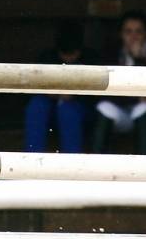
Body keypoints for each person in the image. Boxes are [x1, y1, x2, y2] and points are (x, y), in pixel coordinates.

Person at [90, 10, 146, 154]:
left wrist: (138, 58)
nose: (133, 36)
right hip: (125, 107)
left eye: (138, 32)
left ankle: (143, 169)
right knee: (105, 107)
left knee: (143, 109)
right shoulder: (113, 52)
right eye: (128, 32)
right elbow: (107, 91)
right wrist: (134, 97)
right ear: (121, 34)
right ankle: (97, 167)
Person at [23, 20, 98, 153]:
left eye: (73, 54)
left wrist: (75, 94)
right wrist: (51, 92)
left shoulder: (91, 59)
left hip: (79, 112)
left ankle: (71, 166)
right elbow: (33, 86)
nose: (68, 58)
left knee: (67, 109)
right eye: (65, 54)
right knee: (37, 105)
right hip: (49, 111)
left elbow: (96, 97)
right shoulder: (47, 58)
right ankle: (32, 159)